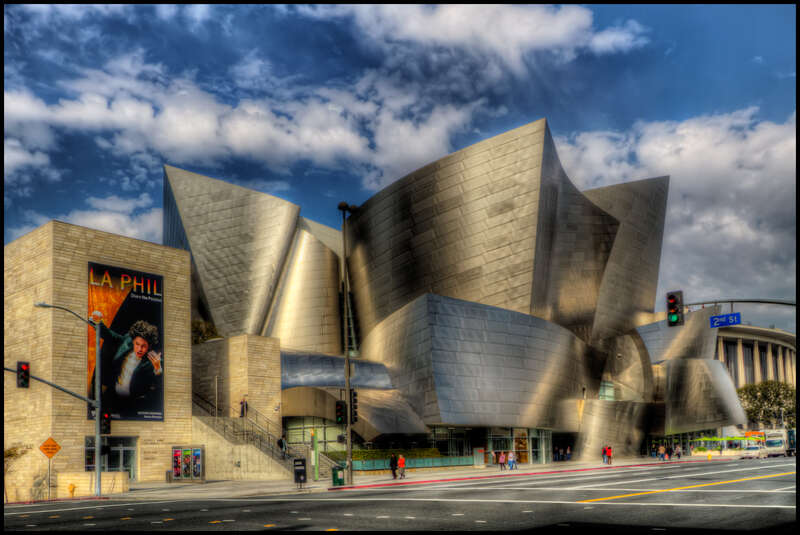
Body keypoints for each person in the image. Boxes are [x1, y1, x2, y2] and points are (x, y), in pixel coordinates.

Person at [91, 319, 163, 419]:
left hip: (132, 405)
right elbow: (110, 336)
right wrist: (98, 324)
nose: (139, 349)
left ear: (149, 346)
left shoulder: (154, 361)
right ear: (133, 341)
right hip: (112, 396)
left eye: (144, 346)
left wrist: (158, 369)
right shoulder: (126, 342)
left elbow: (159, 388)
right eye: (137, 344)